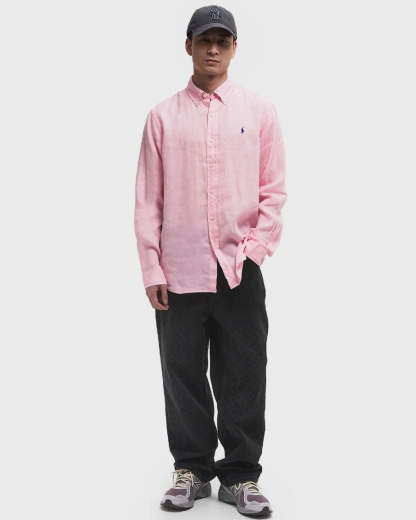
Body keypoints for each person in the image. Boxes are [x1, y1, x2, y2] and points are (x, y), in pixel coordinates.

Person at [134, 4, 287, 517]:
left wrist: (255, 251)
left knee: (244, 371)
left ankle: (241, 476)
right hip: (178, 270)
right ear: (189, 46)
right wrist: (152, 268)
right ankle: (193, 470)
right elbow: (148, 200)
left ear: (235, 48)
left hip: (239, 268)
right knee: (181, 372)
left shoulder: (259, 112)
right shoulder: (162, 117)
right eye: (205, 41)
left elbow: (273, 190)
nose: (214, 49)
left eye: (223, 41)